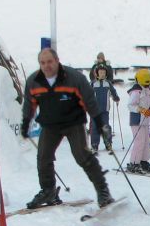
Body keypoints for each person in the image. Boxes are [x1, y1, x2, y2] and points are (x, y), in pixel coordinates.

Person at [20, 47, 114, 209]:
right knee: (43, 157)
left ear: (57, 61)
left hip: (73, 122)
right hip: (50, 125)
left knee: (82, 156)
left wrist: (98, 121)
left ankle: (102, 190)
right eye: (42, 63)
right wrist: (25, 122)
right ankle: (48, 190)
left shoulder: (74, 78)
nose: (46, 66)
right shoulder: (34, 81)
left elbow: (89, 100)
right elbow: (29, 103)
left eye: (49, 61)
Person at [126, 68, 150, 174]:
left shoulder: (147, 90)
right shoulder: (136, 91)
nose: (147, 83)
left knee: (145, 142)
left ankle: (143, 161)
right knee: (139, 141)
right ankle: (134, 163)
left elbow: (149, 103)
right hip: (136, 121)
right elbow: (130, 105)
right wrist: (141, 110)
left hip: (145, 121)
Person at [90, 64, 119, 153]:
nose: (102, 74)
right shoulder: (93, 83)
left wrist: (116, 97)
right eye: (100, 72)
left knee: (105, 126)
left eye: (103, 72)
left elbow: (113, 92)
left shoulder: (108, 83)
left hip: (105, 109)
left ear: (106, 74)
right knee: (94, 127)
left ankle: (108, 144)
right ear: (97, 73)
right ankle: (94, 145)